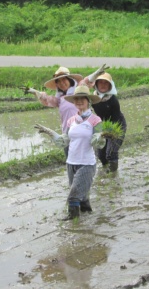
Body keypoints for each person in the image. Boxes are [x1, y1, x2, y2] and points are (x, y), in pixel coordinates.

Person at [34, 85, 104, 221]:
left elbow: (99, 143)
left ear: (88, 100)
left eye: (82, 99)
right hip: (71, 163)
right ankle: (89, 218)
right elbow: (64, 141)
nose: (78, 102)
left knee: (73, 196)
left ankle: (74, 224)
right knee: (81, 196)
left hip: (86, 164)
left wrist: (100, 137)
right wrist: (50, 132)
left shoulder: (96, 120)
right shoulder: (71, 120)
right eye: (76, 99)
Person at [81, 72, 126, 172]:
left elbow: (115, 120)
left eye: (106, 83)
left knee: (111, 152)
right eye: (100, 82)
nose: (103, 85)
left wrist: (107, 134)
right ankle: (106, 169)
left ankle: (113, 174)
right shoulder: (92, 99)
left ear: (110, 86)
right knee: (101, 154)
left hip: (117, 124)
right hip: (101, 124)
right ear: (96, 84)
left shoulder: (113, 100)